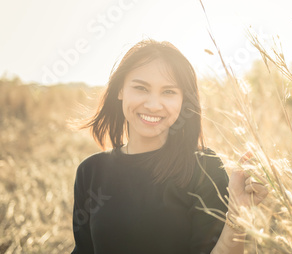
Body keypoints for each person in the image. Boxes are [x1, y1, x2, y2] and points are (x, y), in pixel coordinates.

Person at [71, 39, 268, 254]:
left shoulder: (204, 169)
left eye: (168, 92)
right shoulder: (90, 171)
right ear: (120, 90)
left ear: (184, 100)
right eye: (141, 88)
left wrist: (237, 215)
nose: (153, 105)